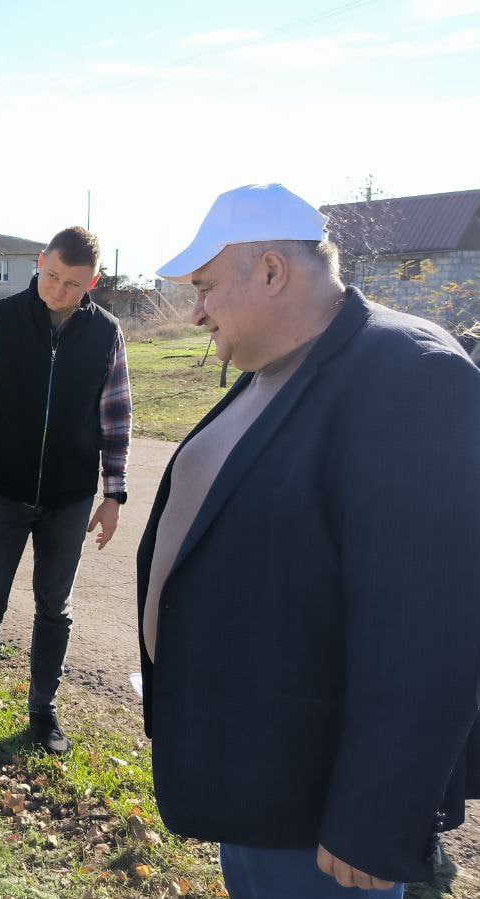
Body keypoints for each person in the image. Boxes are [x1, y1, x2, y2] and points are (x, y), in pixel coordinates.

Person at [139, 183, 480, 896]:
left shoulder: (409, 375)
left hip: (322, 822)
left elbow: (429, 631)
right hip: (257, 782)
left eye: (203, 288)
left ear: (271, 271)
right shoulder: (277, 365)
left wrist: (373, 816)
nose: (195, 311)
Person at [0, 226, 132, 778]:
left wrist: (113, 492)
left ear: (92, 282)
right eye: (51, 277)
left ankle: (42, 711)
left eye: (72, 284)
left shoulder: (106, 334)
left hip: (69, 500)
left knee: (54, 609)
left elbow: (116, 416)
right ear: (40, 263)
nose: (58, 291)